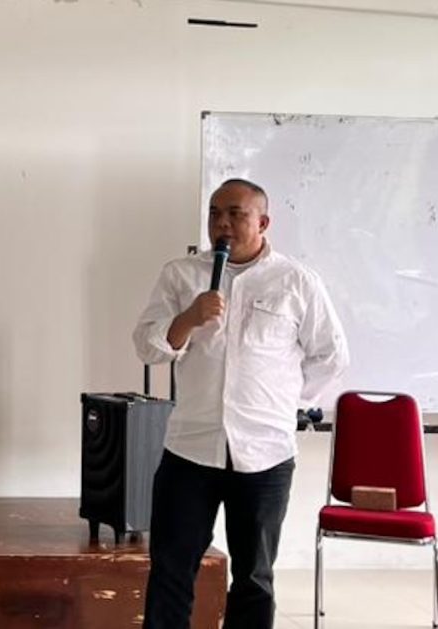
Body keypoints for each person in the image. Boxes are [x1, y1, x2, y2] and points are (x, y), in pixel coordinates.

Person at [132, 178, 349, 629]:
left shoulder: (296, 281)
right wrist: (189, 317)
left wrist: (284, 403)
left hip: (265, 454)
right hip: (191, 449)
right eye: (215, 213)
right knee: (171, 570)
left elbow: (331, 356)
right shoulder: (181, 274)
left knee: (254, 577)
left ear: (263, 222)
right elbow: (148, 347)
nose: (222, 224)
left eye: (236, 213)